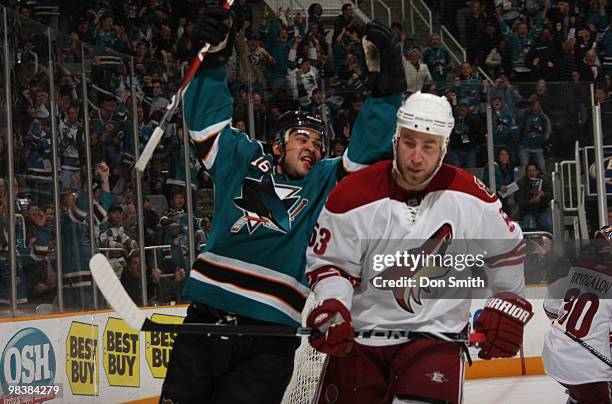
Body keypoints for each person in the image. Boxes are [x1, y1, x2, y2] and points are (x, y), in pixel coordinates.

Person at [161, 7, 406, 403]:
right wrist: (214, 60)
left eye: (317, 142)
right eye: (301, 137)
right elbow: (206, 123)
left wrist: (387, 95)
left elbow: (366, 153)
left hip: (269, 343)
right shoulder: (244, 158)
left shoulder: (326, 182)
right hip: (204, 325)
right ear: (277, 145)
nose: (311, 146)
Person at [304, 91, 532, 403]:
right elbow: (332, 266)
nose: (416, 157)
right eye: (409, 142)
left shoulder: (472, 197)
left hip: (435, 341)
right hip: (358, 341)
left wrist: (507, 303)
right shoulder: (351, 194)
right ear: (395, 140)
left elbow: (507, 249)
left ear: (444, 148)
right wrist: (333, 305)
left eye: (428, 146)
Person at [542, 226, 612, 404]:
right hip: (587, 367)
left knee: (582, 395)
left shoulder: (576, 272)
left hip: (555, 353)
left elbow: (549, 307)